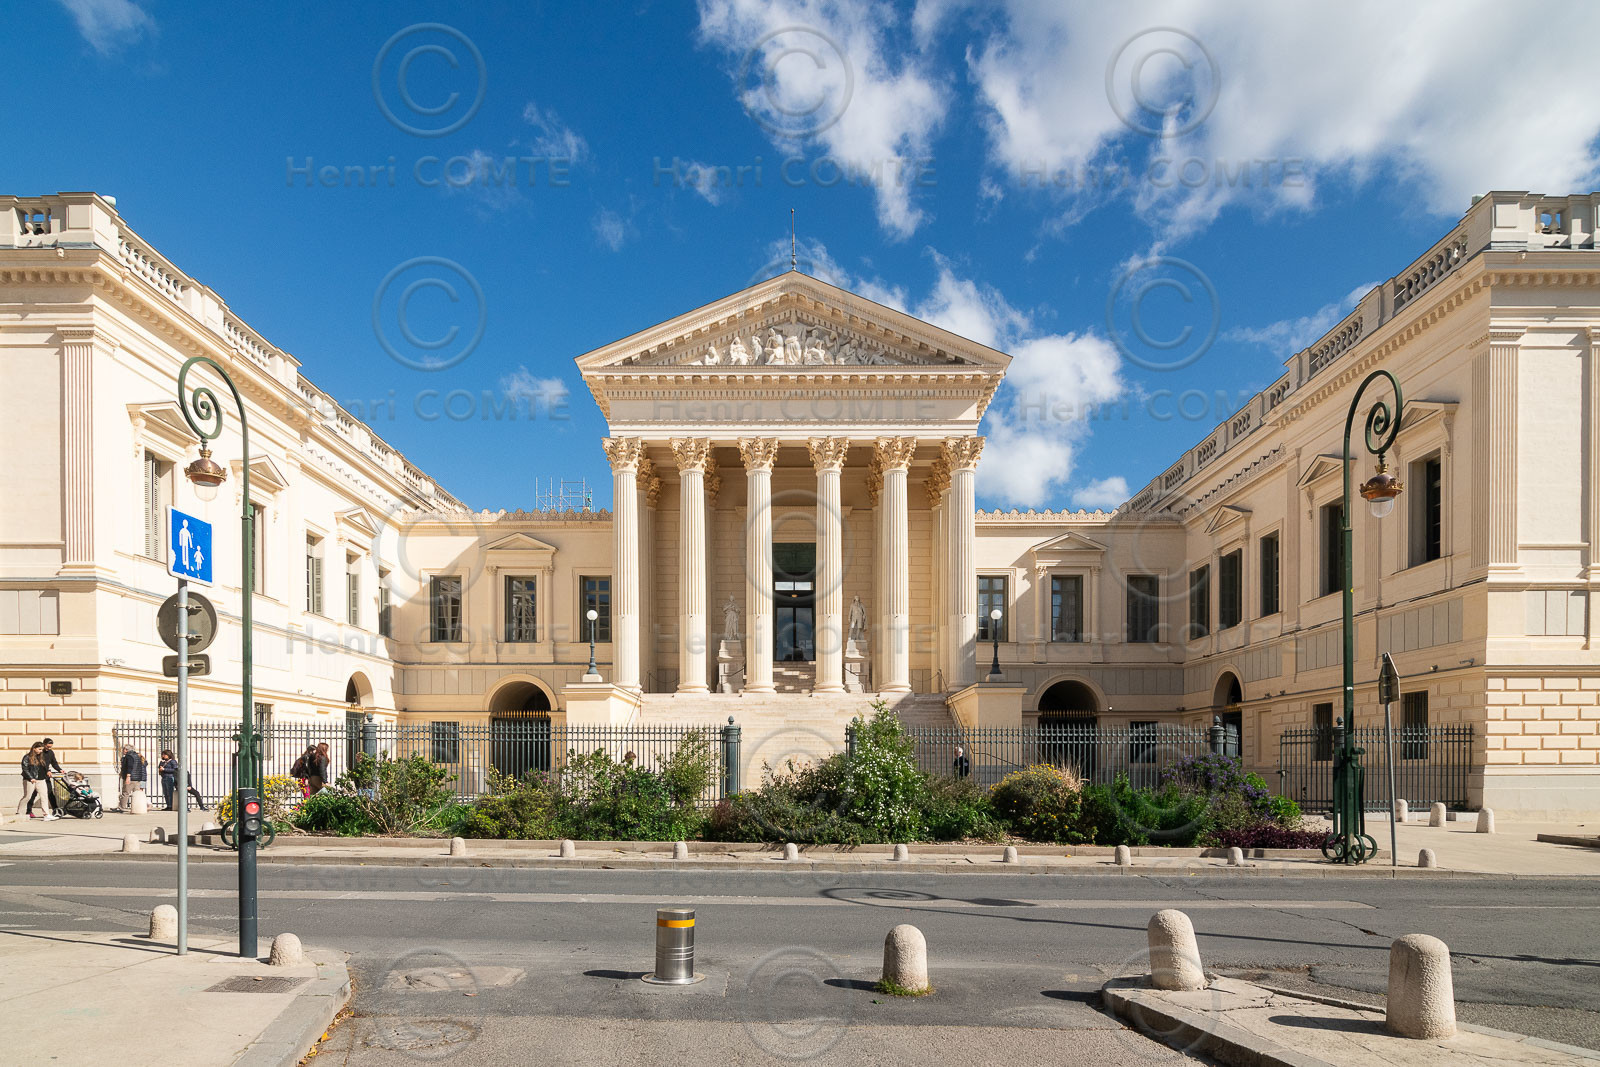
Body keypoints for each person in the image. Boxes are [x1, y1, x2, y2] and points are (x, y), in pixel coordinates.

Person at [16, 742, 57, 820]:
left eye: (42, 749)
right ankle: (19, 812)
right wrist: (31, 778)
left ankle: (46, 815)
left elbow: (45, 766)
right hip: (30, 780)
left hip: (41, 779)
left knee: (44, 796)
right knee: (27, 797)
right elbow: (25, 769)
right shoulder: (27, 757)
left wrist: (48, 771)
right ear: (34, 748)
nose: (41, 751)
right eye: (39, 749)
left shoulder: (41, 757)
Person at [27, 738, 63, 816]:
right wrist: (47, 770)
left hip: (45, 777)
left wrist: (60, 770)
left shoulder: (50, 752)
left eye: (50, 747)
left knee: (50, 793)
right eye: (47, 746)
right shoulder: (39, 752)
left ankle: (56, 810)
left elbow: (54, 763)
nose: (49, 748)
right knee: (33, 794)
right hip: (37, 776)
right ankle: (28, 811)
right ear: (44, 744)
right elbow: (41, 764)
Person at [119, 744, 148, 811]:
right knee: (137, 793)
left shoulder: (129, 756)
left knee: (125, 793)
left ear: (126, 750)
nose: (123, 751)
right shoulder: (137, 756)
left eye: (124, 749)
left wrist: (128, 776)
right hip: (137, 778)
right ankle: (138, 808)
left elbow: (130, 766)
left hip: (130, 778)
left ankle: (122, 807)